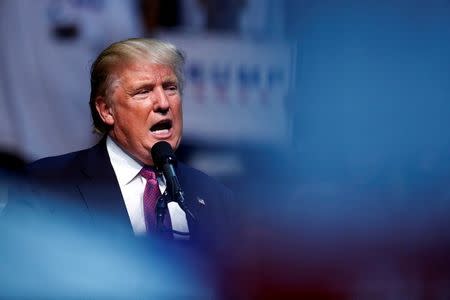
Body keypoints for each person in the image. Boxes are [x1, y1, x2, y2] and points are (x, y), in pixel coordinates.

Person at [12, 38, 234, 252]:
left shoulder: (217, 200)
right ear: (107, 110)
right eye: (144, 91)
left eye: (170, 88)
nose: (164, 103)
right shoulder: (45, 187)